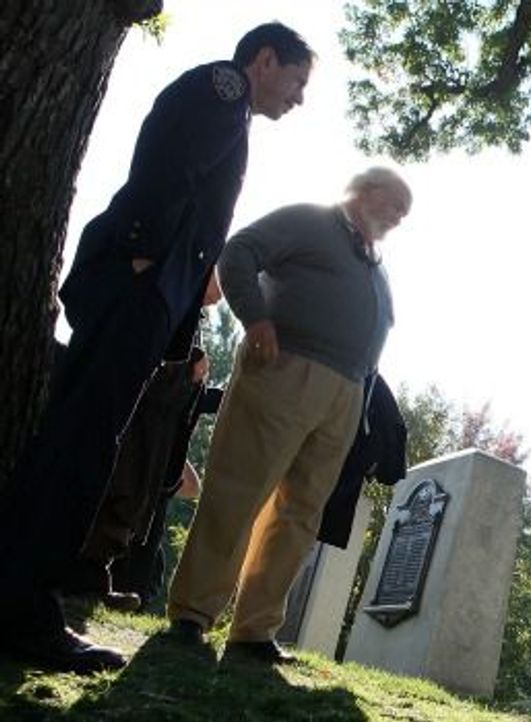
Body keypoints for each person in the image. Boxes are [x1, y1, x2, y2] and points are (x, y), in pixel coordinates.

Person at [0, 23, 314, 674]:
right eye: (297, 80)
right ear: (262, 60)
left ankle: (22, 592)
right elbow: (168, 164)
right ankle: (25, 609)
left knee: (82, 440)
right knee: (82, 445)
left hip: (148, 295)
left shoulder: (232, 110)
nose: (299, 97)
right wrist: (146, 257)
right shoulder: (221, 90)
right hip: (134, 286)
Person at [167, 167, 411, 664]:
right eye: (395, 203)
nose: (399, 218)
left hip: (345, 393)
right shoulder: (310, 221)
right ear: (364, 190)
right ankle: (192, 614)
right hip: (284, 368)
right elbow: (238, 252)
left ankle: (254, 630)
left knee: (300, 513)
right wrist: (255, 318)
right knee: (239, 491)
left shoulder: (375, 262)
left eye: (405, 213)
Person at [62, 275, 226, 612]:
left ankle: (93, 576)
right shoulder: (172, 291)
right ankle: (76, 575)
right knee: (117, 483)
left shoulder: (190, 311)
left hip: (160, 419)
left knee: (133, 494)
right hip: (138, 409)